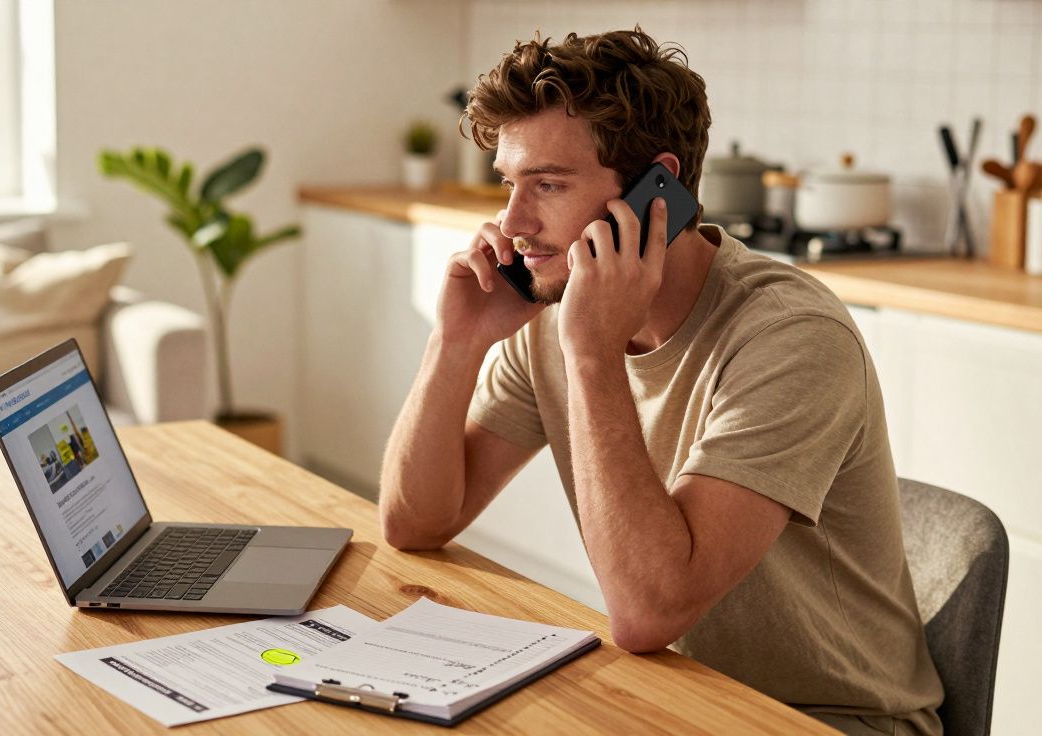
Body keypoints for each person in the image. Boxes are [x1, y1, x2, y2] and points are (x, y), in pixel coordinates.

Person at [377, 28, 943, 735]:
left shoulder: (791, 336)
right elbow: (415, 522)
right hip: (675, 696)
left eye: (548, 184)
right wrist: (454, 342)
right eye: (508, 185)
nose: (514, 224)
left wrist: (592, 353)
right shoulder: (552, 309)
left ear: (658, 189)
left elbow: (648, 612)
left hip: (825, 721)